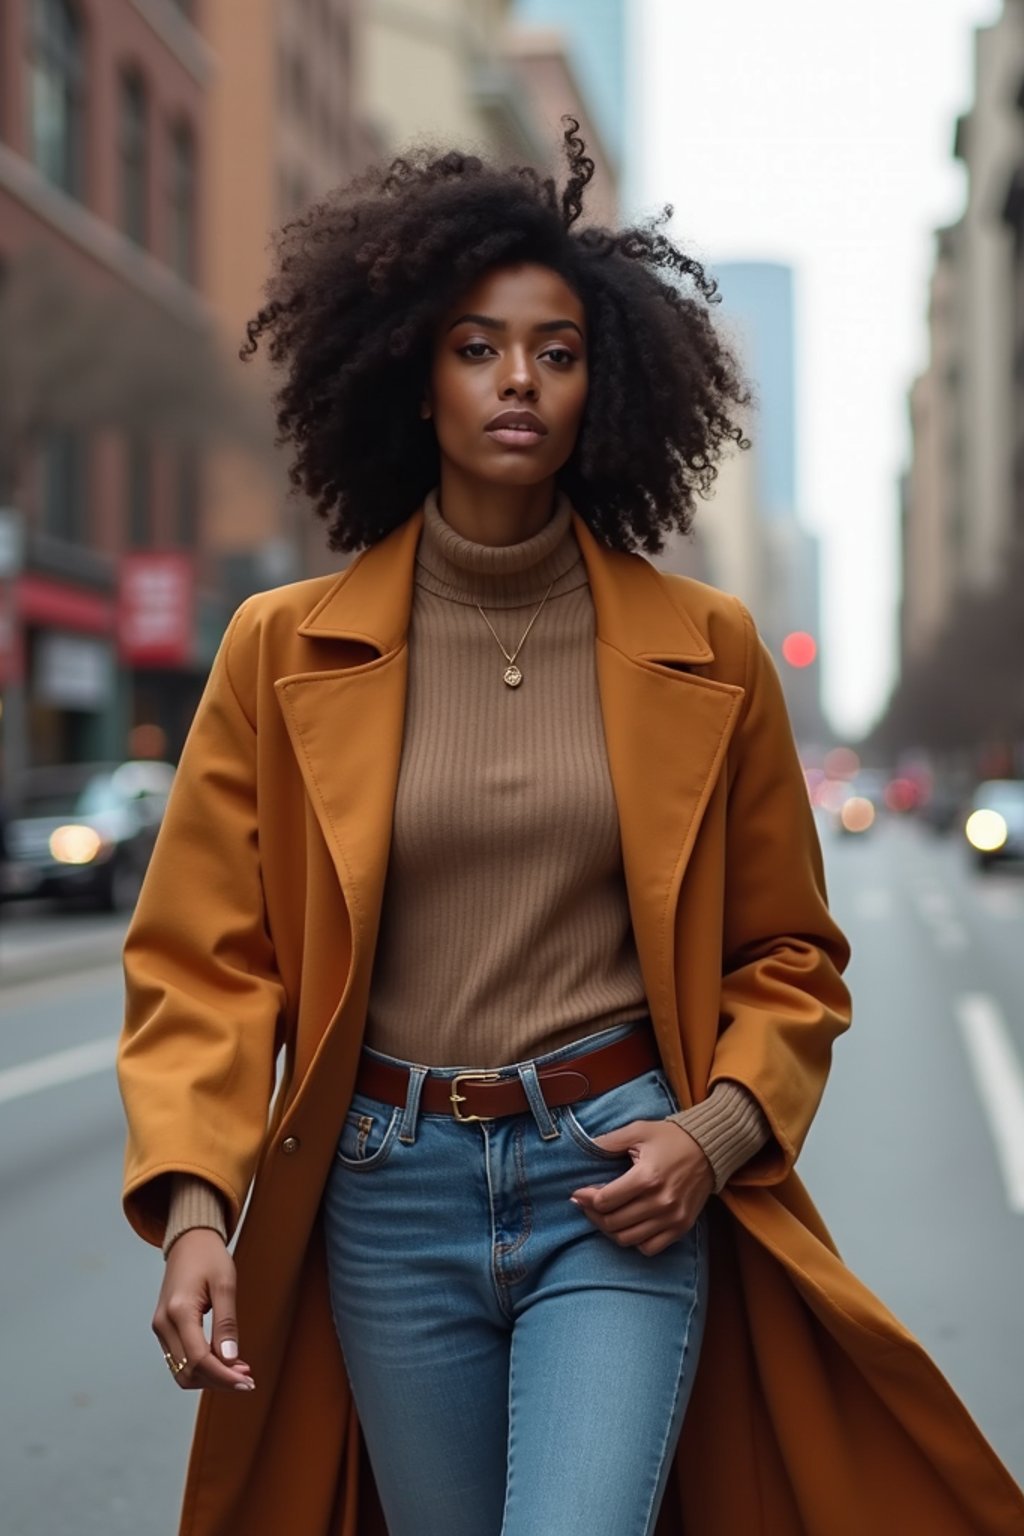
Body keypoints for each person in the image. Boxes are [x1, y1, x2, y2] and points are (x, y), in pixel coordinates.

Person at [117, 123, 1024, 1536]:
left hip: (615, 1177)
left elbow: (789, 954)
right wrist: (190, 1210)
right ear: (414, 375)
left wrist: (714, 1134)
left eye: (556, 349)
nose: (517, 381)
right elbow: (202, 965)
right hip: (383, 1196)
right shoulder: (277, 649)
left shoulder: (707, 650)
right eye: (477, 347)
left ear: (606, 387)